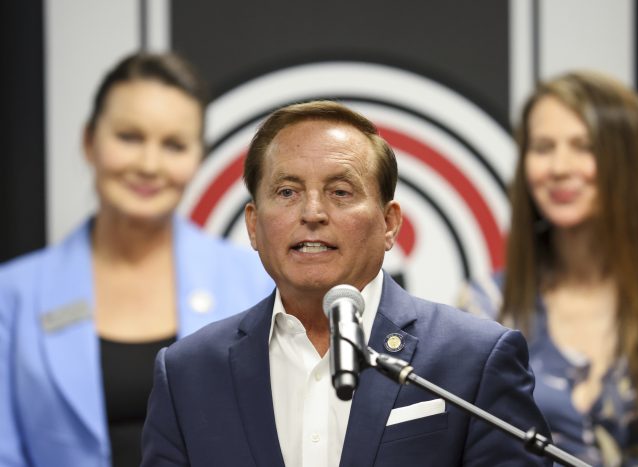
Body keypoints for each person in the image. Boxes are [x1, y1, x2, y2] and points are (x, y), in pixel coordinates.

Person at [140, 100, 553, 467]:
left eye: (340, 192)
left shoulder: (474, 359)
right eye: (287, 192)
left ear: (389, 223)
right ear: (253, 225)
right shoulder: (188, 374)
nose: (313, 212)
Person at [0, 52, 273, 467]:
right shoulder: (11, 297)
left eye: (174, 145)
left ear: (198, 158)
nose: (149, 165)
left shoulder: (258, 282)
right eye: (129, 137)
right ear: (89, 141)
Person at [462, 71, 638, 465]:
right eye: (543, 148)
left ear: (631, 161)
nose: (559, 167)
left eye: (584, 147)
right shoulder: (487, 306)